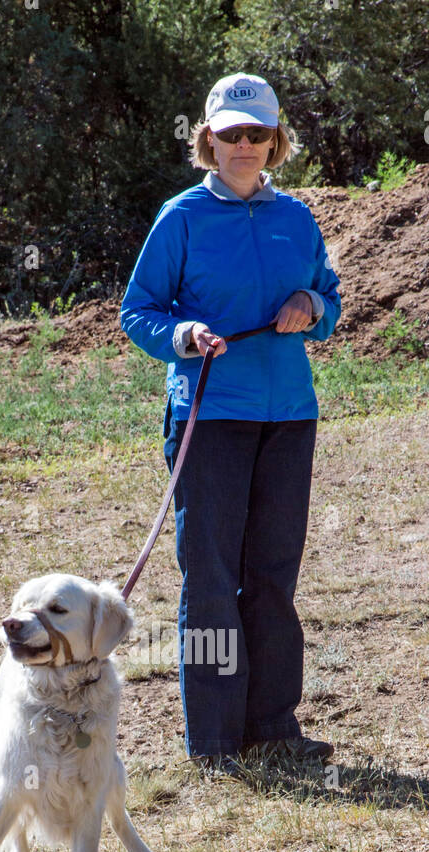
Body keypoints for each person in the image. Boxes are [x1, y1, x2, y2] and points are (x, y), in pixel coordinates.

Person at [120, 72, 341, 774]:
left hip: (289, 418)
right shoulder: (180, 217)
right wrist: (184, 334)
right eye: (230, 133)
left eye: (257, 134)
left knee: (273, 575)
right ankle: (215, 742)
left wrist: (311, 300)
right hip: (209, 420)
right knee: (211, 578)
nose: (243, 145)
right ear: (207, 139)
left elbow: (330, 303)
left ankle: (274, 728)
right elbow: (139, 312)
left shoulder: (297, 218)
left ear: (275, 142)